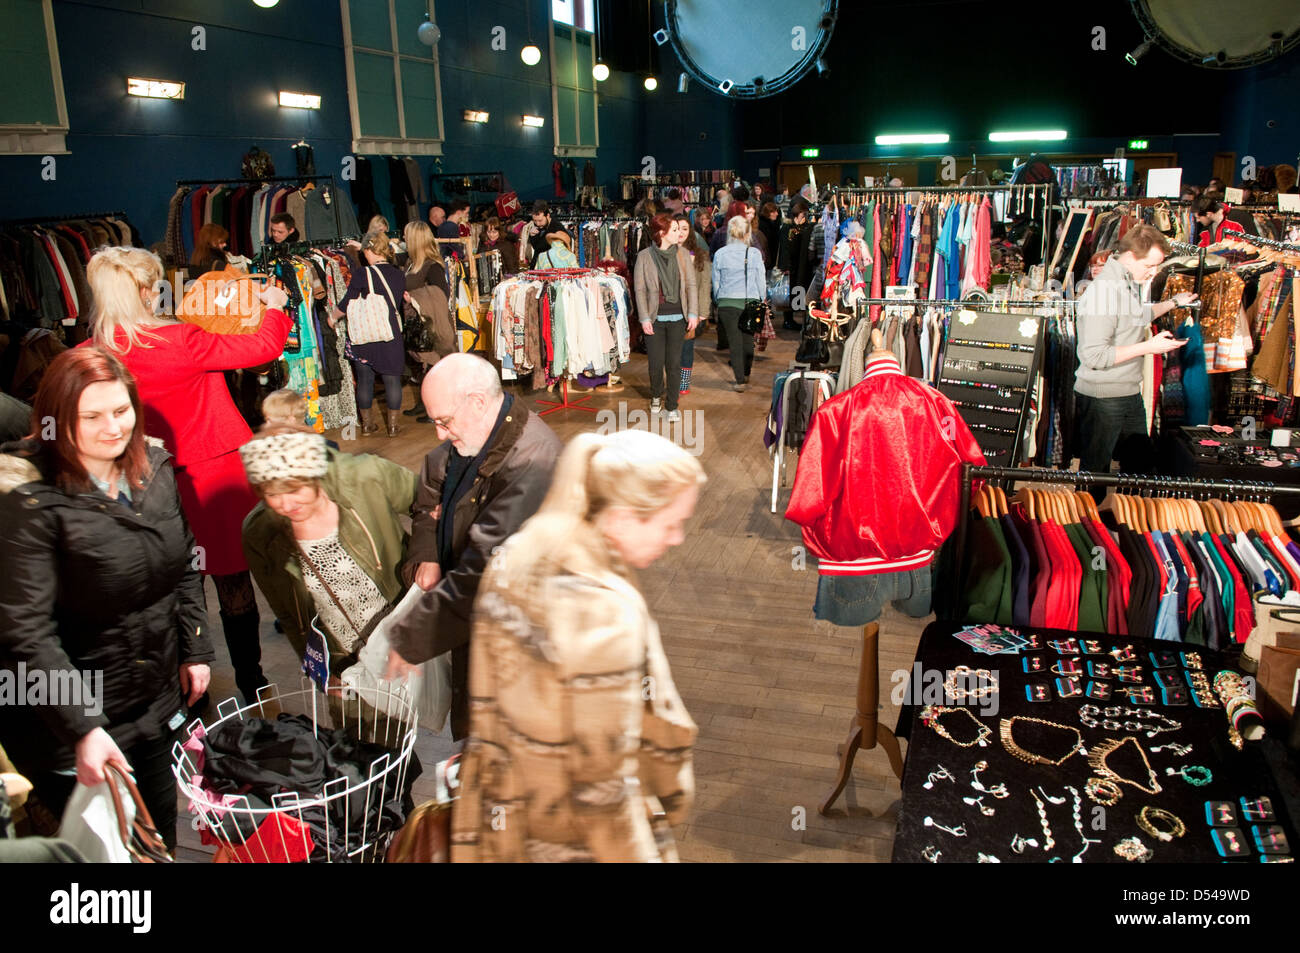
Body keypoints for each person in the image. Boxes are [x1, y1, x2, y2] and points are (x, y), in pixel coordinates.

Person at [450, 429, 702, 862]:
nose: (676, 539)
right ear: (623, 516)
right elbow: (602, 791)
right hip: (566, 839)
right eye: (671, 523)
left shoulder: (516, 556)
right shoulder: (603, 613)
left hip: (498, 821)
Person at [0, 347, 213, 851]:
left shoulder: (153, 467)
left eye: (121, 410)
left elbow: (184, 563)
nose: (112, 427)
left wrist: (196, 646)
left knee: (156, 836)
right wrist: (83, 727)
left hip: (152, 700)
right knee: (106, 858)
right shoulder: (30, 496)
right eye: (90, 416)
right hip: (65, 721)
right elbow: (26, 631)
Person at [84, 246, 289, 705]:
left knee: (175, 589)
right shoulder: (181, 340)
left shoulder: (88, 357)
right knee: (233, 583)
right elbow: (263, 346)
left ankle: (189, 697)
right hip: (212, 474)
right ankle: (252, 684)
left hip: (140, 487)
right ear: (141, 291)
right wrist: (274, 309)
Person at [383, 353, 562, 740]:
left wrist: (413, 637)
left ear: (478, 402)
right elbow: (429, 495)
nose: (439, 434)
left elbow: (485, 567)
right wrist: (427, 554)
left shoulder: (533, 460)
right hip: (470, 626)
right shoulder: (473, 439)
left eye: (442, 421)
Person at [240, 423, 417, 734]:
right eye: (271, 493)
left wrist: (428, 567)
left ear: (315, 475)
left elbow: (432, 507)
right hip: (344, 662)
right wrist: (322, 671)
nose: (285, 504)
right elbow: (289, 614)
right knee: (359, 750)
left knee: (408, 731)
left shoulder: (364, 477)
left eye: (294, 489)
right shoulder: (260, 533)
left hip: (405, 637)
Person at [1075, 225, 1198, 497]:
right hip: (1103, 394)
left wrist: (1172, 303)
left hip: (1126, 391)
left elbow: (1134, 316)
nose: (1154, 272)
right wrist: (1148, 347)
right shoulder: (1104, 292)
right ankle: (1086, 529)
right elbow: (1093, 355)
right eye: (1151, 265)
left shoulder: (1125, 282)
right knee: (1095, 472)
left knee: (1139, 465)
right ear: (1130, 255)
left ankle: (1127, 525)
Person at [333, 229, 408, 437]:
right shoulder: (398, 273)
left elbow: (347, 303)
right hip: (390, 333)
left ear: (368, 249)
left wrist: (332, 317)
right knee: (392, 380)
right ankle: (392, 427)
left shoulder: (362, 274)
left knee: (365, 380)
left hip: (365, 335)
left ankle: (367, 426)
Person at [634, 213, 700, 422]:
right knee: (655, 364)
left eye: (680, 229)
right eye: (674, 230)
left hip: (678, 318)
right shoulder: (644, 256)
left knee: (673, 363)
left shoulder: (682, 254)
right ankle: (656, 395)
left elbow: (691, 285)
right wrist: (644, 318)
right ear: (661, 233)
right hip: (654, 318)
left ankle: (672, 406)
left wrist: (692, 313)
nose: (678, 233)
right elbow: (639, 289)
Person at [400, 220, 453, 424]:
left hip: (430, 323)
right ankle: (425, 404)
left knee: (434, 365)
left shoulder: (432, 266)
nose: (404, 239)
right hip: (415, 321)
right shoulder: (411, 263)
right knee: (421, 366)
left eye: (406, 235)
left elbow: (441, 293)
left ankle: (439, 410)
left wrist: (413, 298)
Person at [712, 215, 766, 392]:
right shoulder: (755, 254)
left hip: (727, 302)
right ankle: (747, 372)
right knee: (748, 340)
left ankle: (740, 380)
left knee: (734, 343)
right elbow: (761, 280)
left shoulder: (720, 254)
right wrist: (762, 298)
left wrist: (719, 298)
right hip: (750, 300)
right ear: (748, 233)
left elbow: (716, 282)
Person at [673, 214, 709, 395]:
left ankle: (683, 383)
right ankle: (672, 380)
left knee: (686, 347)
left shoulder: (699, 255)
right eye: (677, 228)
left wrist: (702, 311)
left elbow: (704, 285)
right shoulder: (663, 252)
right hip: (668, 309)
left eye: (684, 229)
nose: (680, 232)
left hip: (690, 310)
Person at [525, 200, 570, 265]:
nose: (537, 223)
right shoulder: (539, 226)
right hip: (540, 267)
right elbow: (537, 249)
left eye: (540, 220)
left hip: (551, 270)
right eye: (535, 221)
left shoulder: (557, 228)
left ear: (548, 215)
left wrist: (532, 236)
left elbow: (540, 248)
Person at [758, 201, 781, 270]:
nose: (776, 214)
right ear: (767, 213)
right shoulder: (764, 226)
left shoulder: (772, 224)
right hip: (766, 259)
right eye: (773, 212)